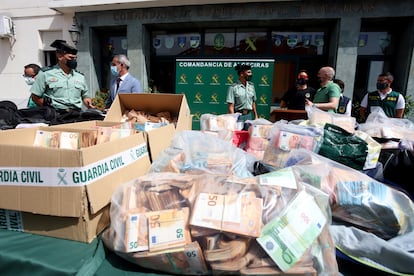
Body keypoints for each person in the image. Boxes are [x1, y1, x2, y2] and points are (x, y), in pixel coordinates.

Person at [30, 39, 93, 112]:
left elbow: (85, 96)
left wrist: (88, 102)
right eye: (70, 58)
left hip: (76, 114)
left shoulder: (80, 77)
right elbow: (35, 97)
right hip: (56, 115)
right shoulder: (46, 74)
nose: (73, 61)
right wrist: (49, 109)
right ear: (60, 56)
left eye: (75, 58)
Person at [226, 64, 258, 129]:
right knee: (238, 135)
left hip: (249, 116)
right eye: (248, 72)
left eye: (251, 72)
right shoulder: (233, 87)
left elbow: (253, 102)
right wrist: (233, 119)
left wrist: (256, 116)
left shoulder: (251, 86)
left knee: (248, 135)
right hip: (238, 116)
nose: (250, 74)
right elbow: (230, 105)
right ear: (242, 74)